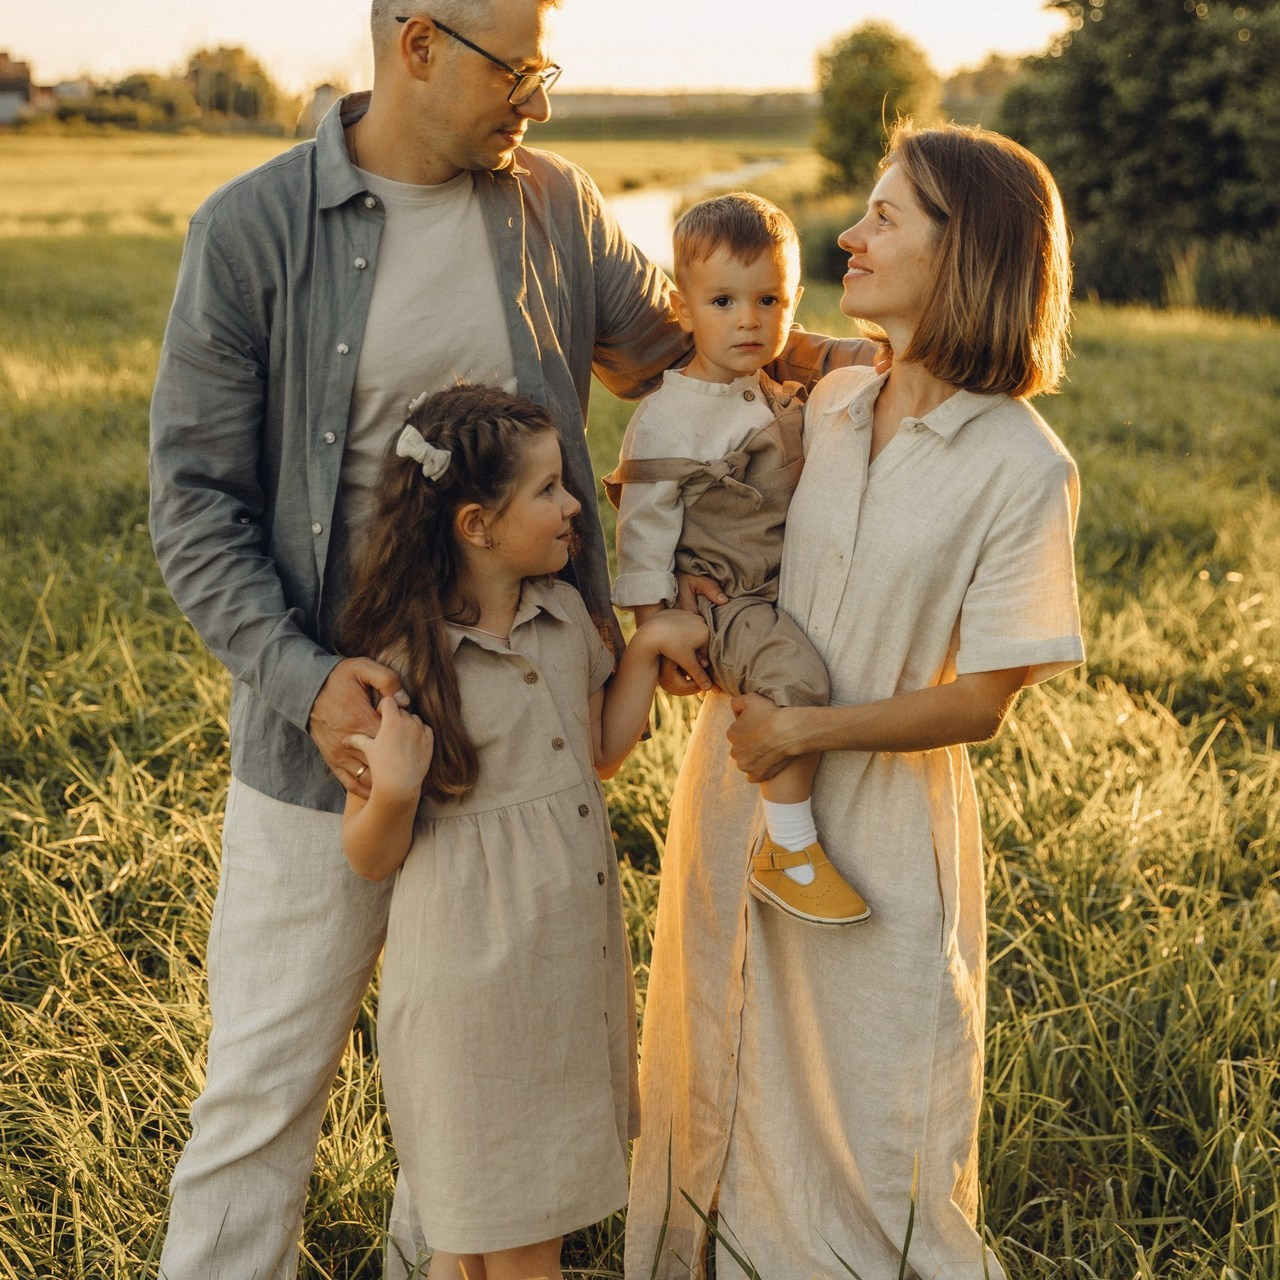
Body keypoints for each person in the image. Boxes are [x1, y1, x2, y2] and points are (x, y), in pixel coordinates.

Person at [147, 0, 872, 1273]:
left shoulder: (555, 207)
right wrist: (311, 685)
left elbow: (687, 339)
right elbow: (192, 506)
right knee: (261, 1089)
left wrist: (877, 363)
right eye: (518, 65)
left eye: (548, 63)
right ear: (417, 43)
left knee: (474, 1093)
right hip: (333, 745)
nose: (538, 95)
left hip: (523, 746)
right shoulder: (251, 233)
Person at [625, 122, 1085, 1279]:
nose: (850, 231)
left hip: (874, 827)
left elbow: (982, 698)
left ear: (966, 247)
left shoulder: (1019, 464)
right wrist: (695, 615)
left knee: (877, 1127)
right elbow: (729, 494)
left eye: (885, 216)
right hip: (740, 788)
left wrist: (809, 728)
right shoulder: (823, 401)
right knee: (714, 1070)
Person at [334, 384, 707, 1279]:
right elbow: (370, 853)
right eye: (547, 489)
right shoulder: (402, 658)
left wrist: (648, 650)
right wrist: (391, 789)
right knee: (497, 1226)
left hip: (561, 973)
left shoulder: (564, 616)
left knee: (510, 1225)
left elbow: (602, 753)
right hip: (471, 987)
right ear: (477, 524)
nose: (574, 503)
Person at [603, 192, 868, 926]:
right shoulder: (669, 415)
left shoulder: (775, 384)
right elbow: (644, 535)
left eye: (769, 299)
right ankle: (789, 849)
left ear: (794, 302)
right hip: (724, 601)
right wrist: (661, 629)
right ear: (684, 308)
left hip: (781, 583)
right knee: (797, 677)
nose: (749, 320)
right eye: (723, 300)